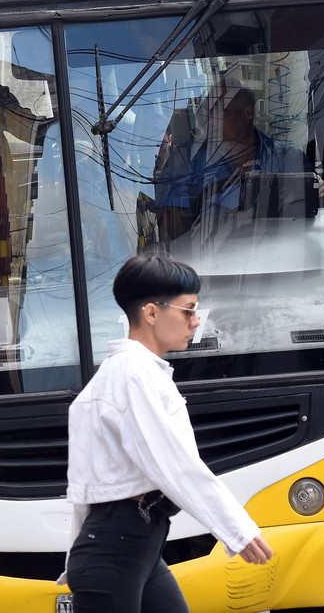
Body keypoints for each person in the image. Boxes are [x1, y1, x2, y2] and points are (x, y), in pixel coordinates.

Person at [63, 253, 273, 612]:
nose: (196, 321)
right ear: (151, 313)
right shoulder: (133, 376)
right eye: (188, 310)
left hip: (131, 550)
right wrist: (236, 530)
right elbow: (174, 465)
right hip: (115, 554)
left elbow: (86, 488)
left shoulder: (126, 374)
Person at [154, 88, 307, 240]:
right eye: (209, 113)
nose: (211, 120)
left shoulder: (287, 159)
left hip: (278, 250)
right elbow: (172, 223)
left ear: (247, 113)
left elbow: (308, 215)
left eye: (220, 112)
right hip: (208, 251)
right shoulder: (186, 160)